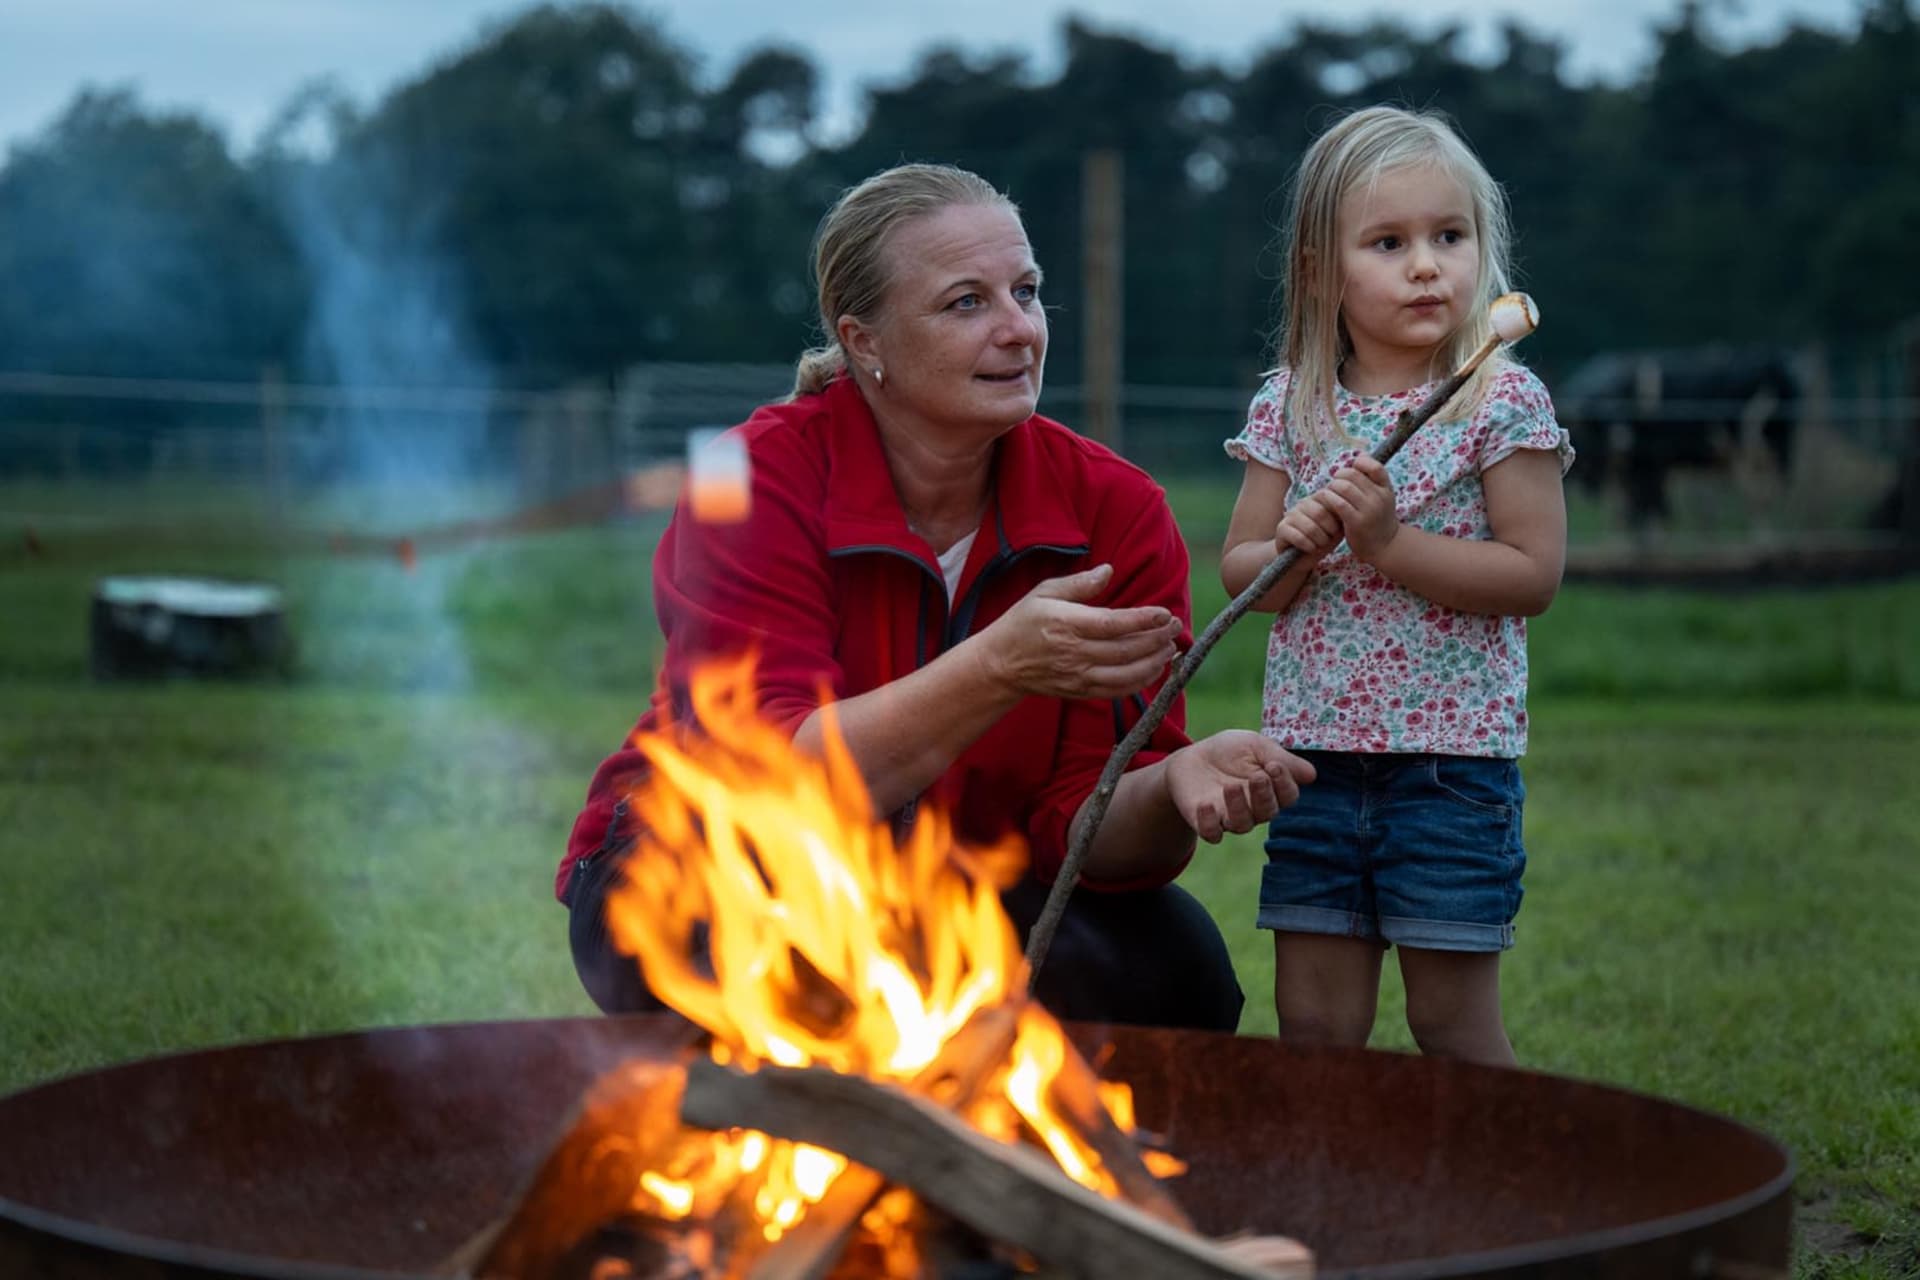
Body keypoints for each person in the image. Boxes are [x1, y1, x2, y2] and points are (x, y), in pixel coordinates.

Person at [563, 162, 1317, 1031]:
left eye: (1026, 293)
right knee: (763, 957)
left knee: (1170, 972)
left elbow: (1084, 830)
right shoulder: (749, 480)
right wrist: (999, 665)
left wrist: (1167, 786)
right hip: (712, 860)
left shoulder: (1116, 508)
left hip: (959, 874)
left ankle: (1037, 1166)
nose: (1018, 331)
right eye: (967, 303)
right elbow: (778, 783)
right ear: (865, 340)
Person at [1219, 106, 1573, 1065]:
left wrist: (1386, 542)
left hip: (1450, 770)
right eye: (1389, 242)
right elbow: (1243, 577)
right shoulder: (1291, 402)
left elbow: (1531, 575)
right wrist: (1287, 551)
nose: (1427, 265)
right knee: (1316, 1026)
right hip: (1311, 765)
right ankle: (1336, 1200)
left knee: (1449, 1024)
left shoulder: (1500, 398)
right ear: (1320, 271)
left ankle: (1504, 1198)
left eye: (1449, 237)